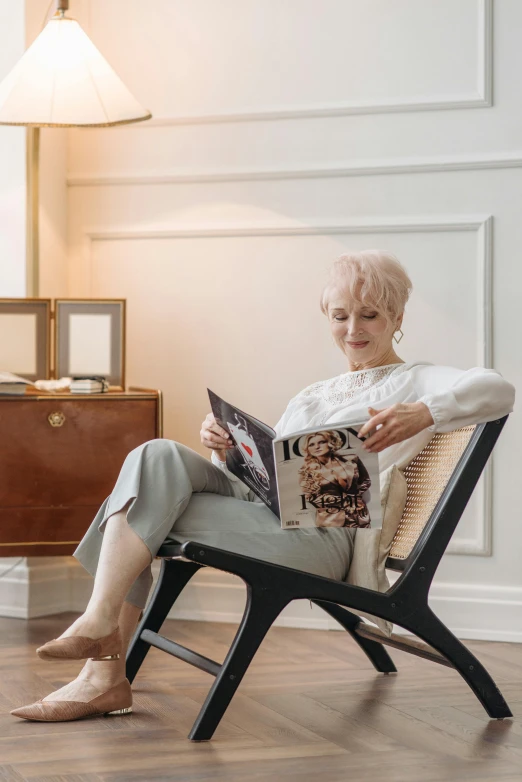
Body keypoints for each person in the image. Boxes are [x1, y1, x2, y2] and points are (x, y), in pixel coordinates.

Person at [11, 249, 515, 722]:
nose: (353, 328)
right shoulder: (313, 393)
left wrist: (425, 410)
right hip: (272, 518)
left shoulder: (420, 380)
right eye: (340, 316)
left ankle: (101, 666)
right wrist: (224, 447)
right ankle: (101, 636)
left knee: (146, 505)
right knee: (155, 454)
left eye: (370, 315)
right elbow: (261, 482)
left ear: (397, 319)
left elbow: (499, 388)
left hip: (324, 535)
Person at [298, 431, 372, 527]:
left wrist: (356, 497)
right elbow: (310, 497)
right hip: (331, 521)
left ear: (331, 443)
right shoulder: (306, 470)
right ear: (308, 449)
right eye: (311, 444)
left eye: (321, 442)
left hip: (359, 516)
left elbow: (365, 481)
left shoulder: (352, 459)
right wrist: (346, 500)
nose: (317, 447)